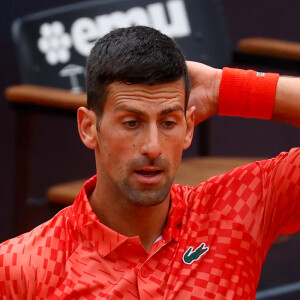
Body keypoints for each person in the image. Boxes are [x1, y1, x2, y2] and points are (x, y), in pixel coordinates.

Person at [0, 26, 299, 299]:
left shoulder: (240, 209)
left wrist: (226, 87)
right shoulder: (22, 267)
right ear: (89, 128)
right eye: (132, 123)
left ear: (188, 128)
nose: (153, 147)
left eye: (168, 122)